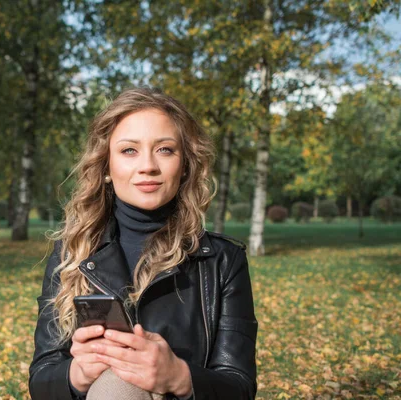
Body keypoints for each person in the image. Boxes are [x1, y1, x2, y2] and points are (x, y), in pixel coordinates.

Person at [29, 87, 258, 400]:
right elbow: (41, 380)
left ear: (186, 164)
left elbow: (240, 387)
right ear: (106, 166)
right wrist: (78, 373)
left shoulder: (222, 260)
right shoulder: (72, 253)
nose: (148, 165)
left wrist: (179, 378)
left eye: (165, 149)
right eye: (129, 151)